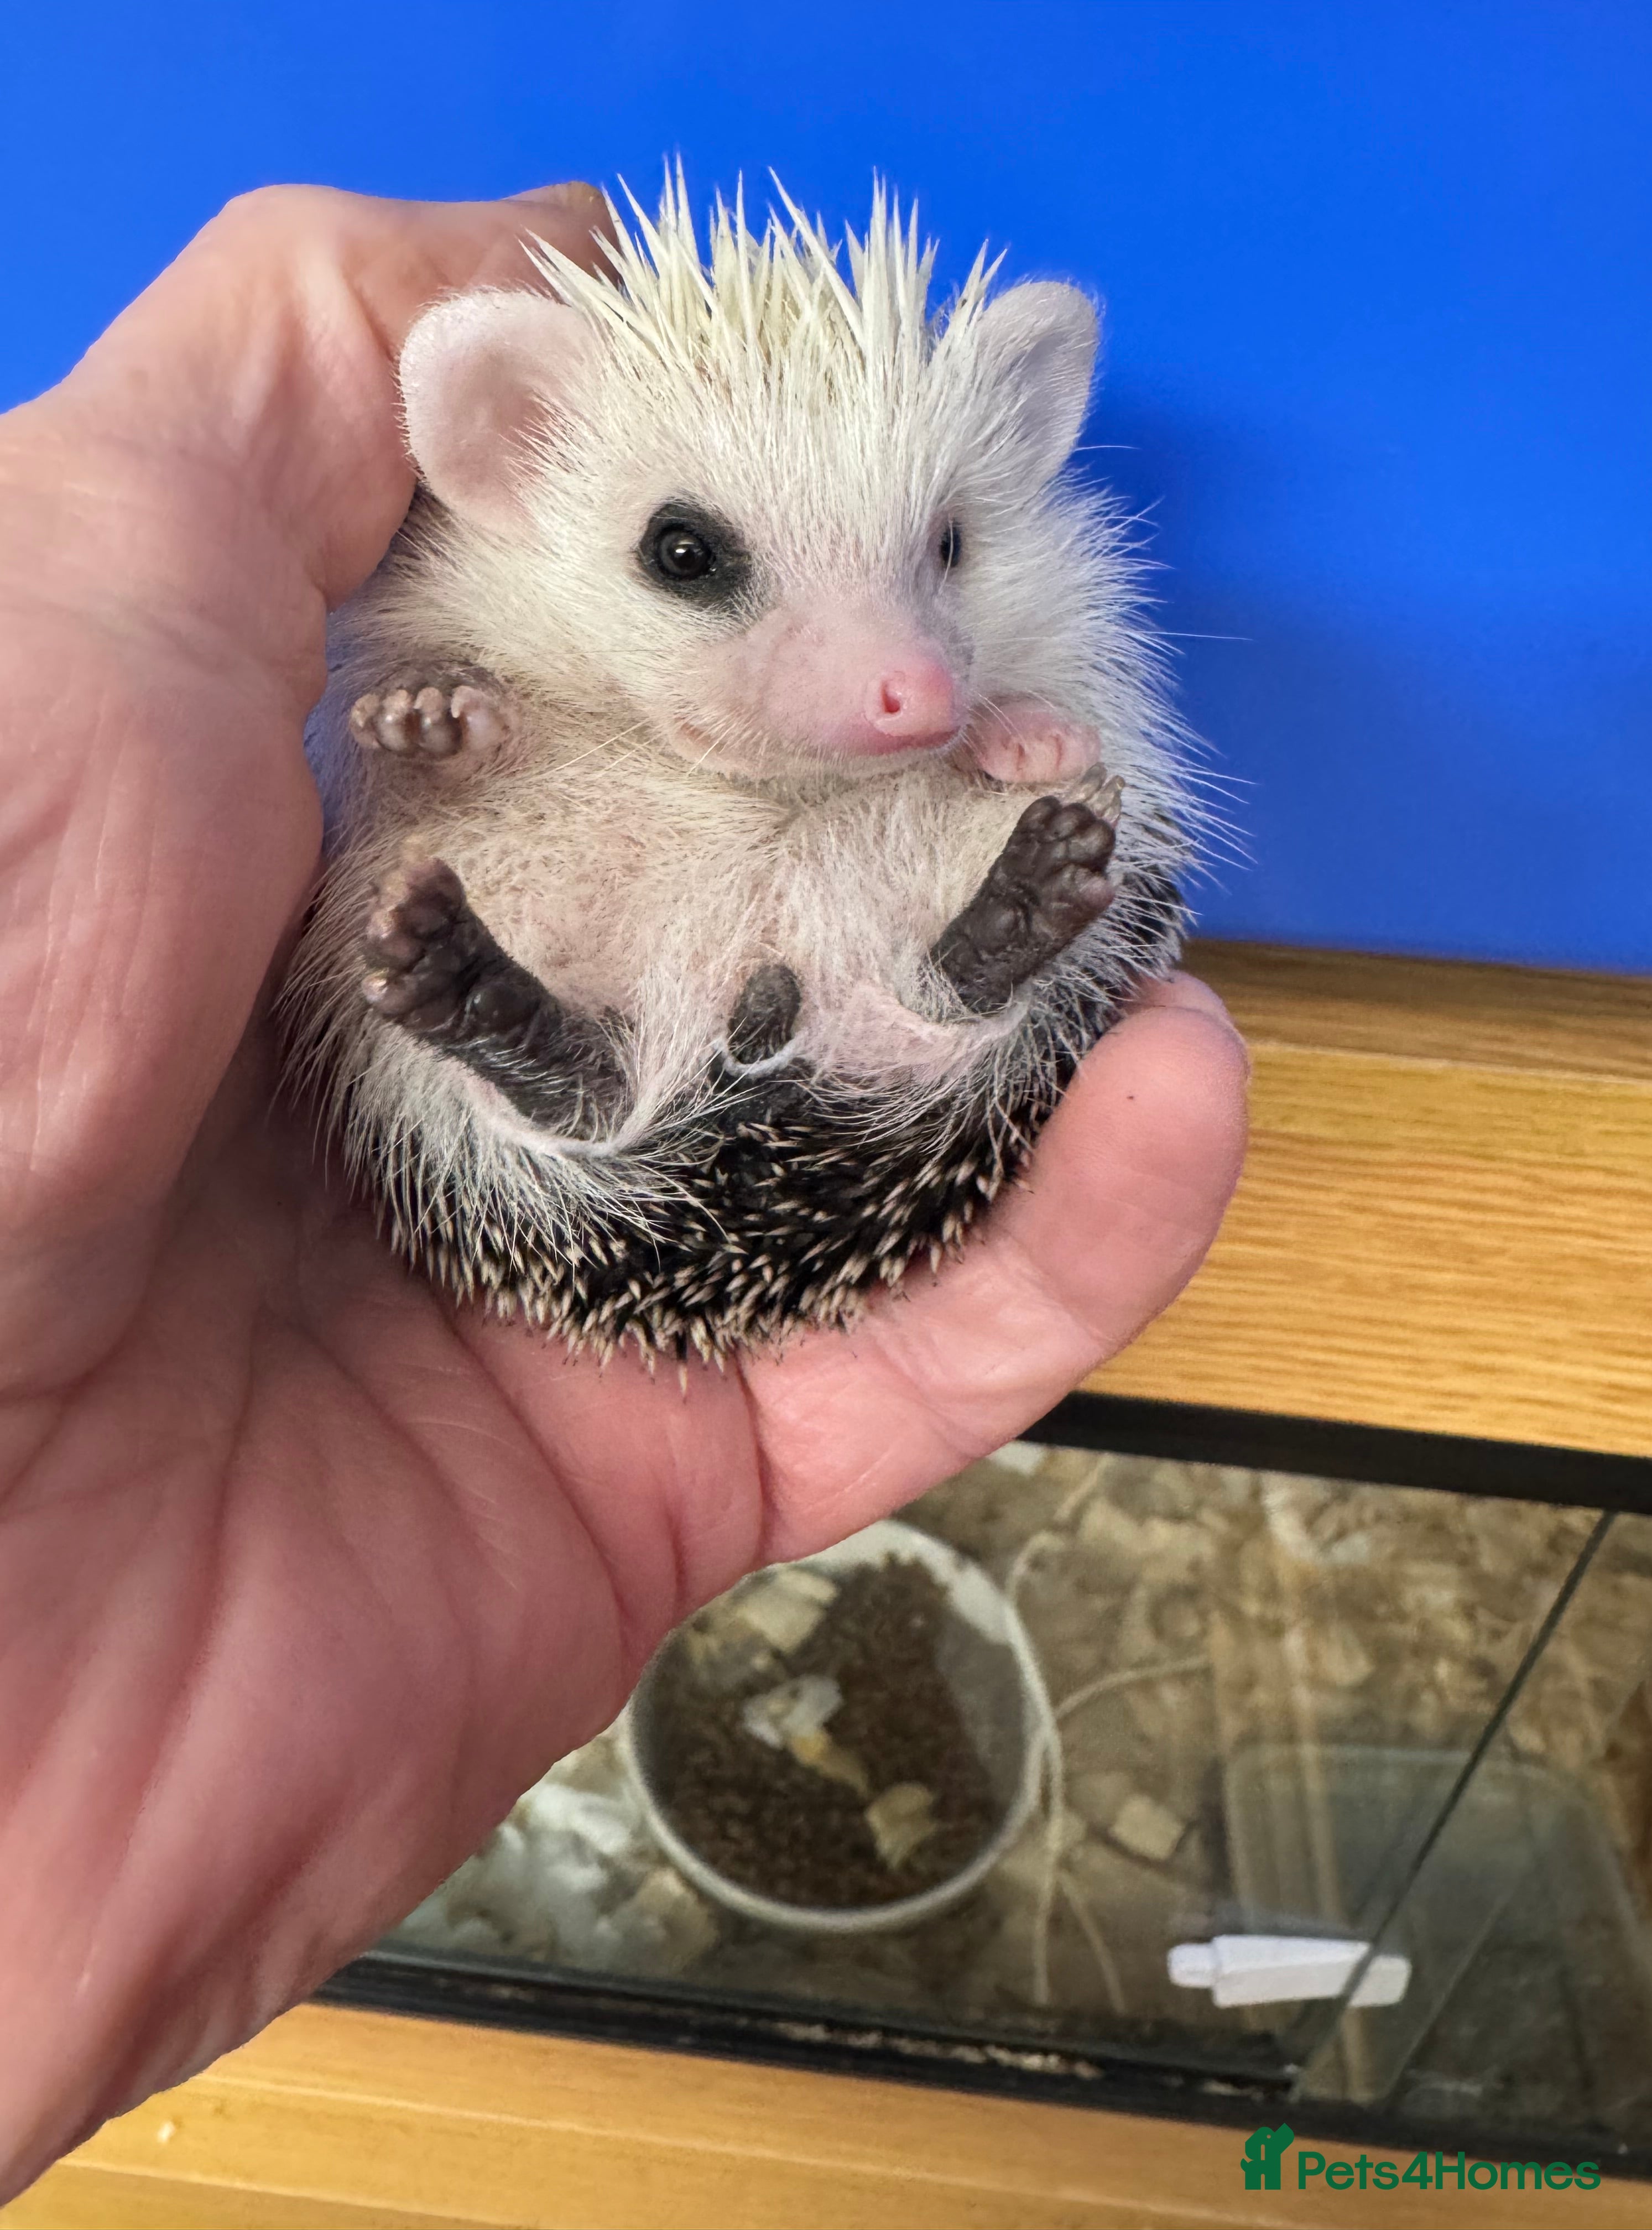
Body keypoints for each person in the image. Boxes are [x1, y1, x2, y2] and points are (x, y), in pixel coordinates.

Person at [0, 181, 1247, 2199]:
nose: (899, 674)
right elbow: (444, 741)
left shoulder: (983, 668)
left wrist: (1017, 741)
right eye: (696, 558)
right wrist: (453, 733)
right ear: (498, 450)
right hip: (621, 960)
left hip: (832, 1002)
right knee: (470, 861)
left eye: (938, 554)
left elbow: (1005, 705)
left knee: (997, 867)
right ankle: (576, 1058)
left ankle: (907, 1001)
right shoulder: (473, 611)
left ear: (1010, 456)